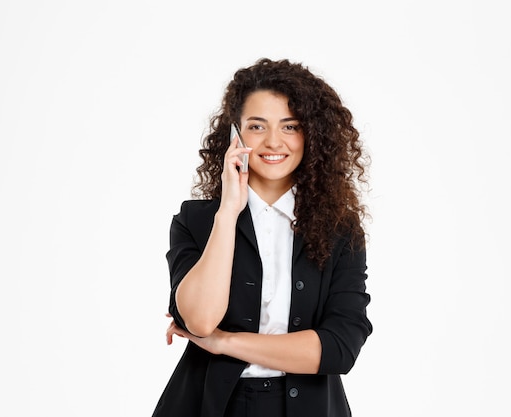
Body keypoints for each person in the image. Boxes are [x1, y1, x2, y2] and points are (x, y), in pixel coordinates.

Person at [152, 58, 372, 417]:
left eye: (290, 126)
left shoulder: (339, 231)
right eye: (257, 126)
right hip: (207, 405)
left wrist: (225, 342)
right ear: (234, 133)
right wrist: (228, 211)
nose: (273, 141)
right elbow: (200, 321)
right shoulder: (196, 220)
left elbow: (338, 349)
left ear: (312, 134)